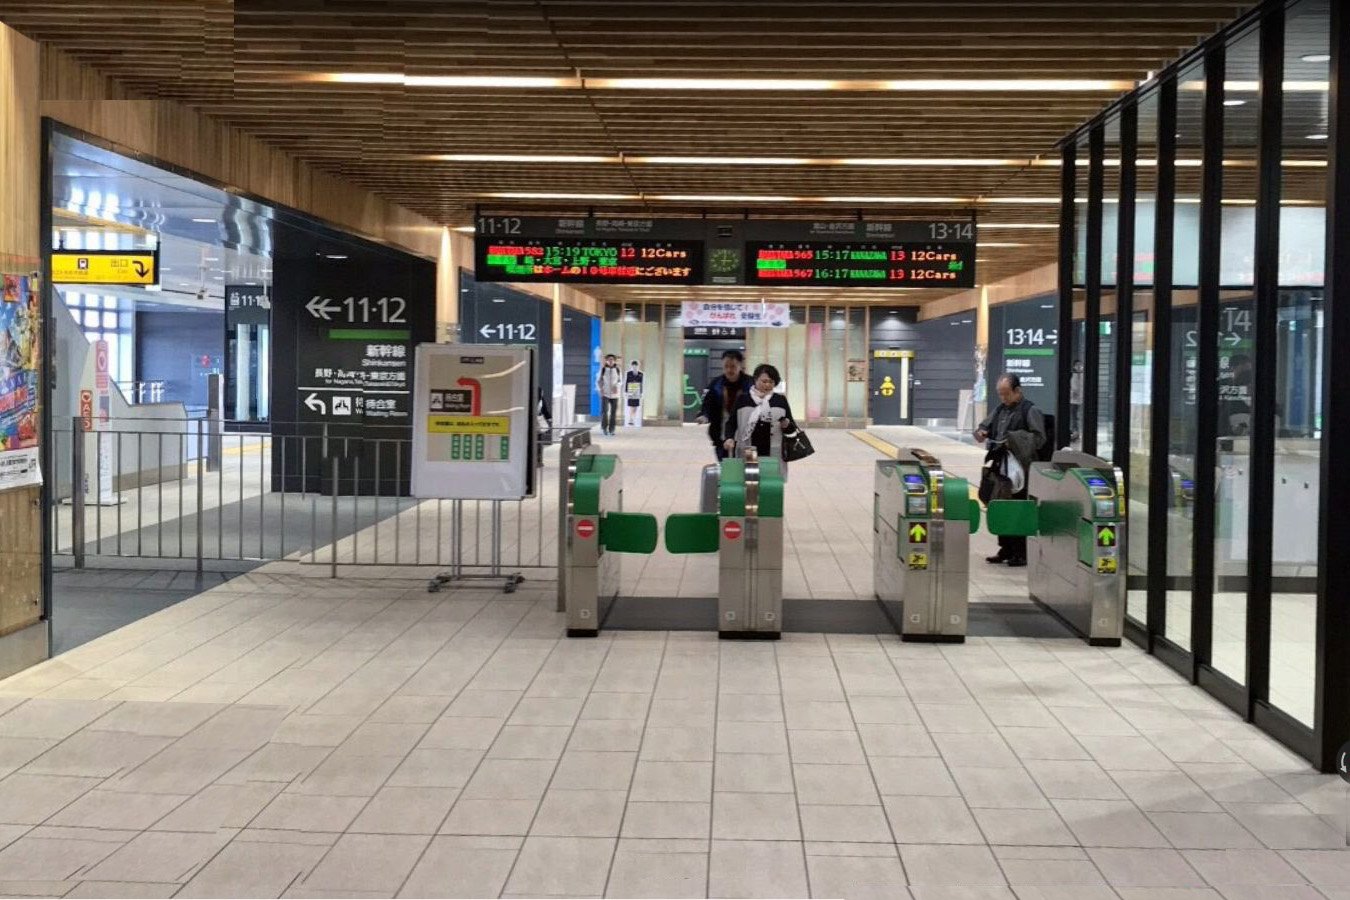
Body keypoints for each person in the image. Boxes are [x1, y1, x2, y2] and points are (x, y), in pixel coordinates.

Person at [975, 373, 1046, 567]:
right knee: (1000, 503)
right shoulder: (1000, 410)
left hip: (1021, 469)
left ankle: (1020, 551)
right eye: (1000, 394)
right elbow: (984, 426)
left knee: (1018, 507)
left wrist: (1014, 439)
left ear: (1017, 391)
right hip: (1001, 465)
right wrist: (981, 432)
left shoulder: (1030, 410)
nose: (1003, 398)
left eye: (1006, 394)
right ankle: (1005, 548)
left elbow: (1039, 438)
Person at [727, 363, 797, 474]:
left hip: (773, 451)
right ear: (755, 379)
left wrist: (787, 425)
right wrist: (729, 438)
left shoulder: (780, 400)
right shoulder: (743, 399)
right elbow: (731, 423)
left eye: (771, 382)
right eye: (764, 381)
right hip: (748, 450)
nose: (767, 385)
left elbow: (792, 428)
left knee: (770, 482)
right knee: (749, 480)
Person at [696, 349, 753, 460]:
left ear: (741, 365)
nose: (729, 370)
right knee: (726, 467)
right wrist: (704, 415)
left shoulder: (751, 384)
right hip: (722, 436)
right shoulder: (716, 384)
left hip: (748, 438)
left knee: (750, 467)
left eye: (733, 366)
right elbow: (707, 403)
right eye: (726, 366)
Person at [596, 353, 621, 436]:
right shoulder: (603, 370)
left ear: (614, 361)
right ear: (606, 361)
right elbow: (598, 381)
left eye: (612, 360)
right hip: (605, 394)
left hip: (615, 395)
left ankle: (612, 429)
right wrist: (600, 390)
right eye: (609, 360)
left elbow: (620, 381)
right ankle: (604, 428)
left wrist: (617, 386)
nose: (610, 361)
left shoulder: (617, 370)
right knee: (604, 411)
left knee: (613, 413)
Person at [624, 360, 645, 428]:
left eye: (636, 365)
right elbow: (627, 382)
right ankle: (631, 418)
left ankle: (633, 418)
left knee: (635, 406)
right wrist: (626, 391)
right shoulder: (629, 373)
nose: (634, 367)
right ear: (631, 366)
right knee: (631, 405)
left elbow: (641, 383)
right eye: (633, 365)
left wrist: (641, 392)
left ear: (638, 366)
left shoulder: (640, 374)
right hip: (631, 390)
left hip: (637, 391)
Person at [1068, 359, 1084, 442]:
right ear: (1074, 366)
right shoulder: (1071, 375)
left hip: (1082, 400)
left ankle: (1079, 433)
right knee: (1074, 418)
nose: (1079, 367)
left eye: (1080, 365)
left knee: (1079, 417)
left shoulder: (1084, 375)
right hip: (1073, 401)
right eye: (1077, 365)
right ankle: (1075, 433)